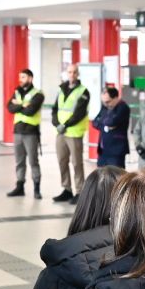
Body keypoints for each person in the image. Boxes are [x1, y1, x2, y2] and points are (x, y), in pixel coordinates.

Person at [51, 65, 91, 201]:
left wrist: (65, 125)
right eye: (69, 72)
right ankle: (66, 189)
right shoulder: (60, 90)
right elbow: (55, 109)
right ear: (66, 74)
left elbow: (79, 113)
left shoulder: (83, 91)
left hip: (74, 133)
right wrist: (56, 124)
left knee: (76, 163)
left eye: (74, 72)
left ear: (78, 74)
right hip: (61, 133)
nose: (72, 74)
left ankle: (80, 192)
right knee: (62, 161)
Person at [7, 68, 46, 199]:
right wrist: (24, 105)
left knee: (33, 161)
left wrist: (18, 105)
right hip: (17, 131)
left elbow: (31, 111)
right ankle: (20, 187)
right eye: (20, 77)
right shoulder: (17, 92)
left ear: (30, 78)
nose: (21, 80)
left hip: (31, 133)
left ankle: (36, 189)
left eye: (23, 77)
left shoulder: (38, 94)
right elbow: (9, 107)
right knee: (19, 161)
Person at [91, 85, 130, 168]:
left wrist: (103, 123)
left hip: (116, 150)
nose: (106, 104)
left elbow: (111, 122)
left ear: (116, 98)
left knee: (116, 177)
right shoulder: (105, 106)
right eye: (104, 102)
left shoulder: (123, 108)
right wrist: (105, 127)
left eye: (108, 101)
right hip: (103, 150)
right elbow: (94, 122)